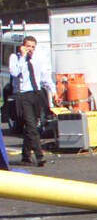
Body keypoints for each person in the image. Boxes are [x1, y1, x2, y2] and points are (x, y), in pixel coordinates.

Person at [8, 35, 54, 166]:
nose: (30, 49)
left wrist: (53, 91)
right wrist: (22, 57)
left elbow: (44, 76)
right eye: (28, 46)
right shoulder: (15, 58)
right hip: (23, 95)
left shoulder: (37, 59)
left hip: (36, 93)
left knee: (32, 126)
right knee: (31, 125)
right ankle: (39, 156)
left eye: (33, 47)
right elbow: (15, 72)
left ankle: (26, 155)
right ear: (22, 46)